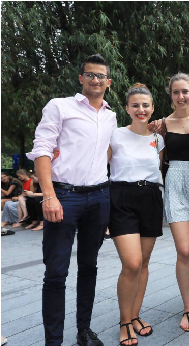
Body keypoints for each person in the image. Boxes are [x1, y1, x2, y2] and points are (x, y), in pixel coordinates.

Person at [26, 54, 116, 346]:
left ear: (108, 82)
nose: (95, 80)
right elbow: (42, 149)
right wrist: (49, 196)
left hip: (100, 195)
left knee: (89, 267)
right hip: (63, 196)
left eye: (101, 76)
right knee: (56, 272)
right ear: (81, 78)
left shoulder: (111, 115)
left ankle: (84, 331)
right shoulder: (59, 106)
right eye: (90, 74)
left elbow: (109, 153)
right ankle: (53, 341)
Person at [151, 73, 189, 332]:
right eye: (176, 92)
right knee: (184, 249)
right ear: (170, 95)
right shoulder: (163, 123)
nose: (181, 96)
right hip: (175, 183)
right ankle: (187, 306)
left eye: (185, 91)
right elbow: (154, 156)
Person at [108, 83, 164, 345]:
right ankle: (124, 321)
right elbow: (98, 166)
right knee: (131, 263)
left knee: (143, 263)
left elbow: (161, 167)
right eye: (135, 105)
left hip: (151, 198)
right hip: (122, 198)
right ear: (127, 108)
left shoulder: (158, 138)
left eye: (145, 105)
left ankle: (135, 315)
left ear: (152, 108)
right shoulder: (115, 135)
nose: (141, 110)